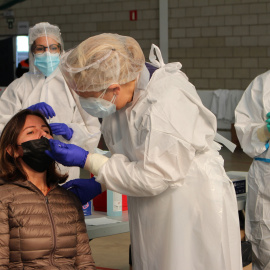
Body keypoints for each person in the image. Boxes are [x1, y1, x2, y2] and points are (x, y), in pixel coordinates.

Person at [46, 33, 242, 270]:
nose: (89, 106)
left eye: (90, 98)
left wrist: (90, 161)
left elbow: (153, 175)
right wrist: (101, 181)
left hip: (188, 203)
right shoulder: (122, 100)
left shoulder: (164, 103)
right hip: (156, 202)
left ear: (114, 88)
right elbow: (137, 156)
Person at [0, 22, 101, 181]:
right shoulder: (19, 87)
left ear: (61, 50)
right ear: (32, 51)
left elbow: (93, 130)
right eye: (40, 48)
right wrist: (24, 115)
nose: (47, 53)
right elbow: (2, 127)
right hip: (25, 170)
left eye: (53, 48)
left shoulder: (73, 87)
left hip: (64, 169)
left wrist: (71, 131)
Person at [0, 109, 96, 269]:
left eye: (46, 131)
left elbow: (85, 262)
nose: (43, 135)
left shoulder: (69, 200)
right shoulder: (4, 198)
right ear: (13, 150)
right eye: (31, 132)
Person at [235, 71, 270, 269]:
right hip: (265, 175)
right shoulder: (262, 84)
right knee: (263, 246)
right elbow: (244, 130)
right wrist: (265, 130)